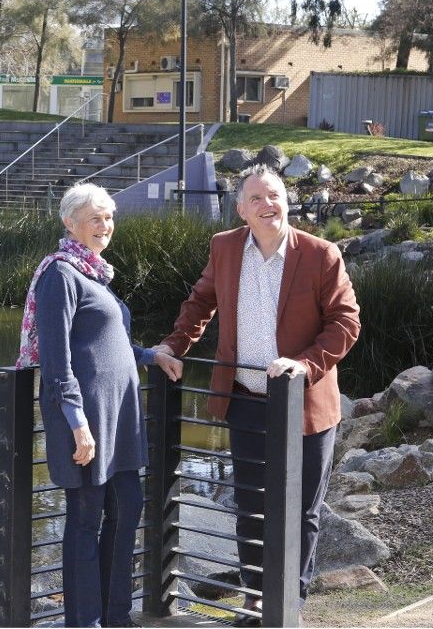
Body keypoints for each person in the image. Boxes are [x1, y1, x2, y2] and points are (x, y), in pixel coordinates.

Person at [152, 164, 360, 625]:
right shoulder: (225, 248)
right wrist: (173, 345)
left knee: (301, 509)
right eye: (258, 198)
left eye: (276, 195)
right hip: (244, 399)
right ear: (241, 209)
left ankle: (291, 601)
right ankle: (255, 597)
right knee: (250, 503)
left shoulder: (320, 254)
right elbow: (201, 301)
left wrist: (303, 365)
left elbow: (346, 323)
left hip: (304, 406)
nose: (270, 204)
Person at [18, 183, 181, 628]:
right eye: (95, 218)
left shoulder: (94, 274)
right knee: (86, 519)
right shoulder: (60, 276)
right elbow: (56, 362)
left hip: (120, 420)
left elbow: (112, 345)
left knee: (128, 508)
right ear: (70, 223)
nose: (105, 226)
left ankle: (117, 617)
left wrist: (151, 356)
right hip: (86, 422)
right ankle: (84, 621)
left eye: (109, 218)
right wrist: (77, 423)